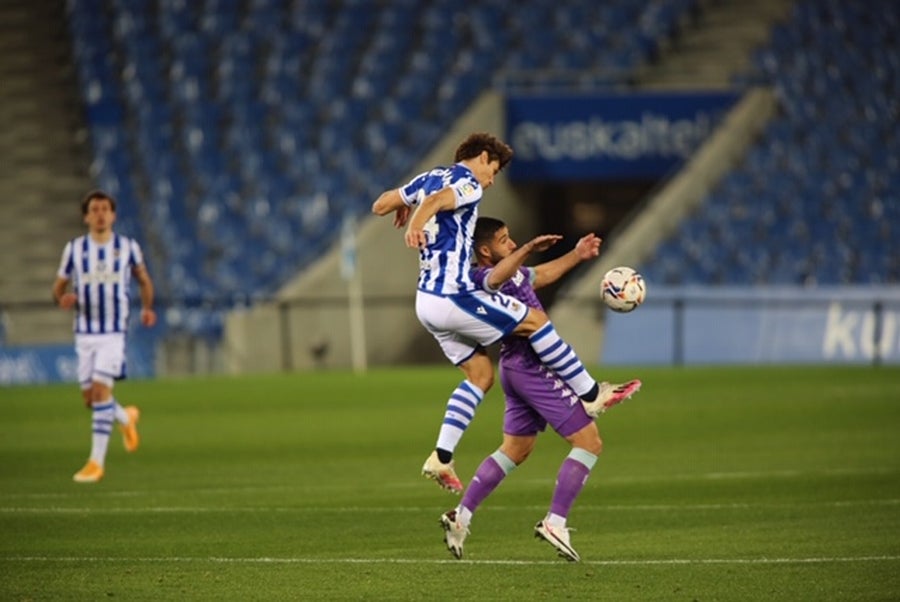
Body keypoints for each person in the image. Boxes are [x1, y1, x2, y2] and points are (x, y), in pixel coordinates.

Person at [372, 132, 637, 494]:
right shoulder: (467, 183)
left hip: (426, 301)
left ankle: (442, 457)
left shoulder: (428, 176)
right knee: (535, 320)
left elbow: (380, 205)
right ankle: (591, 394)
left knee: (481, 375)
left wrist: (407, 205)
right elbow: (437, 201)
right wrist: (418, 220)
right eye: (492, 170)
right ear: (482, 157)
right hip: (452, 293)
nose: (491, 180)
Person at [439, 216, 641, 561]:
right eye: (505, 240)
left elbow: (537, 275)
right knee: (589, 443)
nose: (513, 244)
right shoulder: (479, 280)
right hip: (532, 367)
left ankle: (461, 516)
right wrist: (529, 249)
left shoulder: (510, 269)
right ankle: (555, 522)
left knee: (515, 449)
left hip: (515, 368)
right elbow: (496, 278)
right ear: (484, 251)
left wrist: (576, 254)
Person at [52, 190, 157, 483]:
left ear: (113, 215)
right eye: (94, 209)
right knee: (91, 400)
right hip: (84, 333)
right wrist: (63, 297)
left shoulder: (128, 247)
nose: (100, 214)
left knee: (100, 393)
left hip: (113, 332)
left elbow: (144, 280)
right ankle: (126, 418)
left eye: (105, 209)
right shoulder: (74, 249)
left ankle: (95, 463)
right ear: (86, 216)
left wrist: (148, 308)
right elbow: (57, 287)